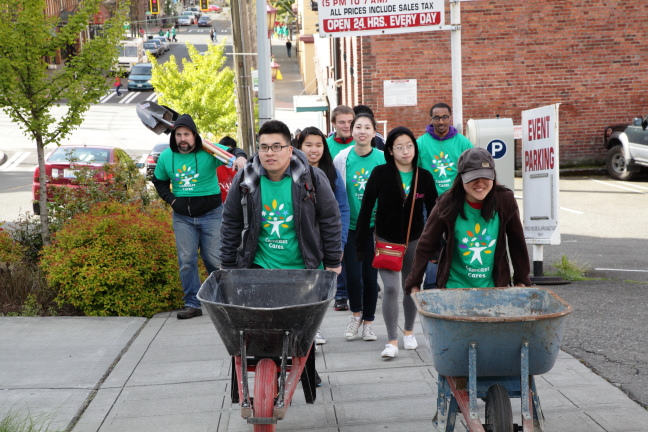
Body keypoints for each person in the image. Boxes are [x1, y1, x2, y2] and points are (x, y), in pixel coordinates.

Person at [152, 114, 247, 319]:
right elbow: (158, 181)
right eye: (179, 134)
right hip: (183, 217)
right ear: (174, 136)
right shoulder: (167, 156)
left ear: (195, 136)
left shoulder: (208, 151)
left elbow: (233, 150)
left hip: (212, 215)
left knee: (214, 259)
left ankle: (223, 302)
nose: (183, 138)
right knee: (187, 260)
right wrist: (172, 200)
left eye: (187, 134)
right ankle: (192, 304)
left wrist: (240, 157)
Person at [355, 127, 437, 358]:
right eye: (399, 147)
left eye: (409, 146)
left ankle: (409, 332)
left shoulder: (425, 177)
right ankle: (392, 340)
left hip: (415, 241)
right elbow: (366, 208)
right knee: (390, 288)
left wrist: (436, 246)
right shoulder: (380, 174)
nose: (405, 151)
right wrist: (361, 244)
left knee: (411, 287)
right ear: (390, 150)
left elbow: (433, 213)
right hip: (386, 241)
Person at [404, 147, 531, 295]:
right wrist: (414, 282)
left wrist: (521, 279)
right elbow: (426, 244)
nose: (480, 183)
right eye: (473, 178)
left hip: (494, 287)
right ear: (461, 177)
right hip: (454, 287)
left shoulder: (505, 200)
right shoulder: (446, 203)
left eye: (486, 177)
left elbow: (517, 242)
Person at [296, 126, 351, 344]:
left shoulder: (331, 173)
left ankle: (313, 327)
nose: (314, 150)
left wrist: (340, 242)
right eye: (308, 145)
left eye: (319, 145)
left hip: (324, 240)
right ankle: (305, 329)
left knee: (318, 290)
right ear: (299, 146)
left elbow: (342, 209)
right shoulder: (291, 171)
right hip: (300, 240)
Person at [333, 113, 386, 342]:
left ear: (374, 132)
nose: (362, 131)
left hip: (375, 228)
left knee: (370, 277)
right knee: (353, 277)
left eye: (367, 127)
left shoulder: (383, 158)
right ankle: (355, 317)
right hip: (352, 228)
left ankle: (369, 323)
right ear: (351, 131)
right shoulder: (342, 158)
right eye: (358, 127)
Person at [417, 102, 473, 290]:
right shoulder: (421, 143)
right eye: (436, 118)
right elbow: (414, 173)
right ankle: (432, 284)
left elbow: (471, 169)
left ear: (450, 118)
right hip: (429, 203)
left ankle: (457, 281)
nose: (440, 121)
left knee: (458, 241)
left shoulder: (463, 143)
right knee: (432, 243)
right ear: (430, 119)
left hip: (457, 202)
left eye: (444, 117)